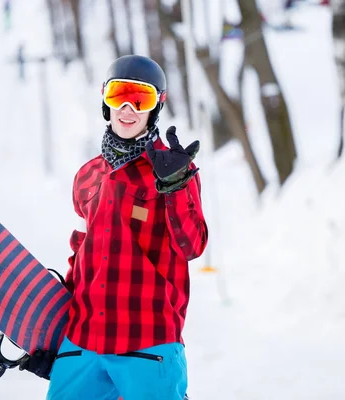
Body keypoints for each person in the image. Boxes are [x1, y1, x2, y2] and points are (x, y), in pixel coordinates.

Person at [20, 55, 208, 400]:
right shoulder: (88, 175)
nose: (127, 108)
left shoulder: (172, 170)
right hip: (83, 341)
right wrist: (57, 333)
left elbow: (192, 246)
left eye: (140, 99)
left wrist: (177, 186)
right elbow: (82, 254)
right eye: (119, 94)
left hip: (147, 340)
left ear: (156, 106)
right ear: (105, 101)